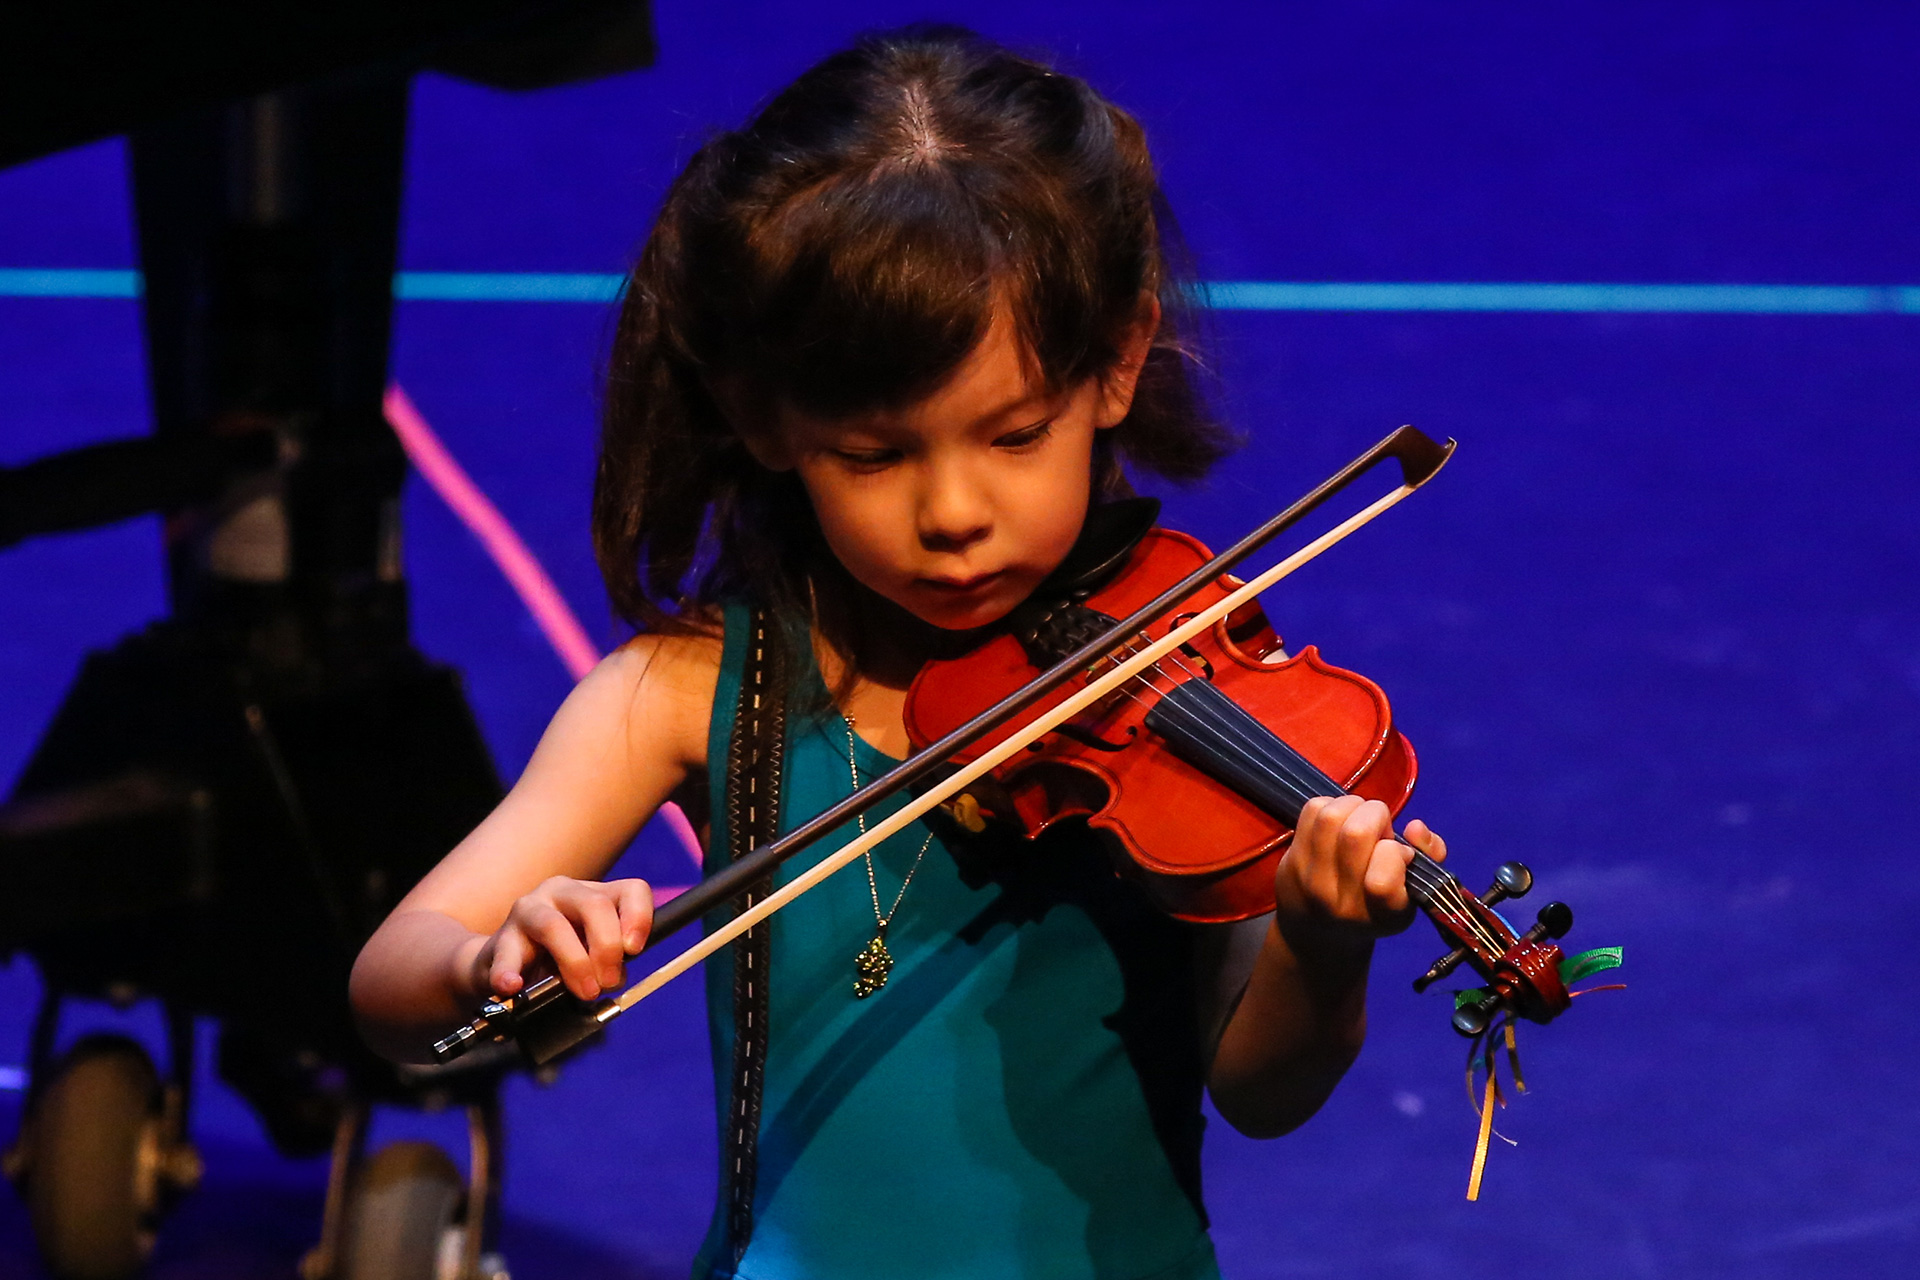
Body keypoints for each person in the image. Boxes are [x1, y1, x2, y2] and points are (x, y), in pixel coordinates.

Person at [351, 26, 1447, 1280]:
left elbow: (1264, 1088)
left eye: (1015, 434)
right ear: (763, 418)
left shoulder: (1185, 675)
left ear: (1119, 362)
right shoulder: (688, 691)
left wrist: (1323, 940)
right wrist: (494, 953)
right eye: (875, 455)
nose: (952, 514)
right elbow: (393, 980)